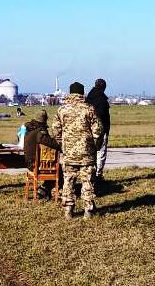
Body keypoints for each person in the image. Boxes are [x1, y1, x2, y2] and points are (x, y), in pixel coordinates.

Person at [51, 81, 104, 220]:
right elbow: (98, 131)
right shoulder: (89, 109)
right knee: (87, 181)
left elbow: (55, 130)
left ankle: (68, 210)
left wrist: (62, 145)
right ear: (82, 93)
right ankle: (88, 210)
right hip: (87, 154)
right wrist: (96, 146)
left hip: (69, 154)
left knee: (68, 181)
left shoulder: (62, 110)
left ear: (70, 93)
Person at [23, 110, 62, 198]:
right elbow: (49, 143)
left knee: (57, 168)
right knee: (60, 169)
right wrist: (60, 145)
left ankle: (44, 189)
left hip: (30, 162)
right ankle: (58, 192)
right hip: (36, 164)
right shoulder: (40, 131)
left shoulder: (30, 129)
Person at [85, 78, 111, 185]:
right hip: (101, 130)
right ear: (104, 87)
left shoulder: (88, 99)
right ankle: (98, 176)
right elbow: (103, 117)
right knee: (101, 153)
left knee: (90, 153)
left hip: (88, 130)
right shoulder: (102, 100)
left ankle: (90, 174)